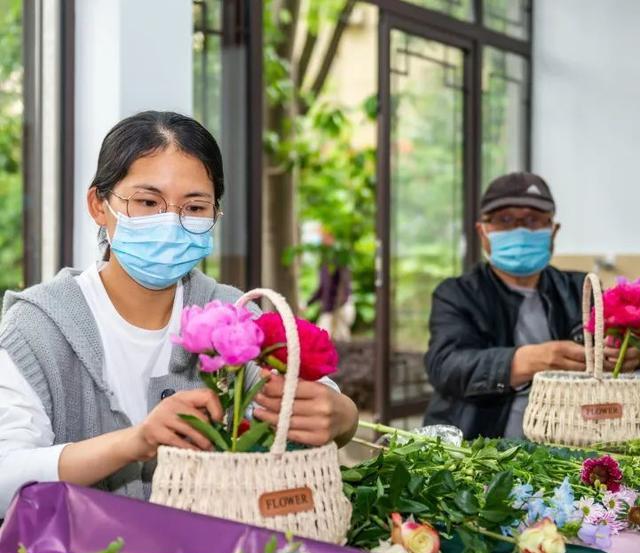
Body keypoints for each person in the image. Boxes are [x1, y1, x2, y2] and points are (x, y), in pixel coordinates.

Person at [0, 111, 359, 517]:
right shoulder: (37, 327)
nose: (170, 222)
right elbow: (5, 473)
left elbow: (324, 403)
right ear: (99, 205)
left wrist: (343, 417)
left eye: (194, 206)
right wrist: (134, 442)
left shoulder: (233, 316)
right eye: (147, 201)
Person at [423, 171, 639, 439]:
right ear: (483, 232)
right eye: (505, 220)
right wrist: (527, 360)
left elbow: (618, 349)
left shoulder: (581, 290)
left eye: (533, 220)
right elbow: (445, 366)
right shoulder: (456, 294)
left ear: (553, 230)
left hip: (567, 446)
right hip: (478, 449)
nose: (521, 230)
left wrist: (632, 356)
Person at [307, 227, 355, 342]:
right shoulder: (325, 262)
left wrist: (343, 302)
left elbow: (345, 282)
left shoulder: (339, 259)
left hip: (339, 305)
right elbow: (323, 288)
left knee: (340, 337)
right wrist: (308, 303)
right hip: (329, 307)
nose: (323, 240)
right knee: (324, 336)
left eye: (325, 237)